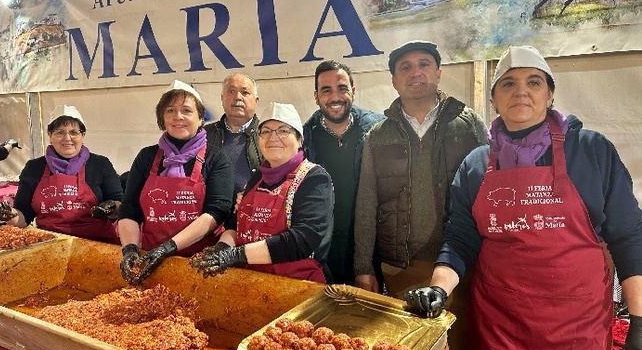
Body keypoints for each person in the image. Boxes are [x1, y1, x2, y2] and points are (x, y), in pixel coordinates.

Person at [406, 45, 642, 350]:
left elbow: (629, 235)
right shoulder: (476, 164)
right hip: (502, 330)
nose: (521, 91)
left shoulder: (591, 150)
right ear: (493, 99)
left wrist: (639, 316)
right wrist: (439, 289)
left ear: (550, 94)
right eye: (508, 84)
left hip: (575, 335)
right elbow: (460, 239)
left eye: (534, 82)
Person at [354, 40, 488, 296]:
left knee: (459, 335)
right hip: (400, 266)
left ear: (438, 73)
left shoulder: (468, 125)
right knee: (405, 336)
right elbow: (366, 204)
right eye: (405, 67)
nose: (416, 72)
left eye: (424, 64)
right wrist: (363, 267)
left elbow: (491, 190)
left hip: (462, 263)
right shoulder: (377, 136)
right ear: (394, 80)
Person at [191, 102, 334, 283]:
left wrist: (236, 255)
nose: (273, 137)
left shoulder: (314, 178)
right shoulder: (257, 177)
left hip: (295, 285)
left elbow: (303, 239)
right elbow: (235, 225)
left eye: (283, 130)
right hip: (250, 281)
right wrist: (221, 248)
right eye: (265, 131)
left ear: (299, 140)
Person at [118, 80, 233, 284]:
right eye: (170, 110)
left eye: (186, 110)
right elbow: (130, 209)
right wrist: (129, 249)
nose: (178, 117)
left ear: (200, 118)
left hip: (199, 264)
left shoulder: (216, 158)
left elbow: (217, 211)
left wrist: (168, 247)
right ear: (162, 118)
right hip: (150, 259)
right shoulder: (147, 157)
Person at [303, 60, 384, 284]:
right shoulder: (304, 138)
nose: (335, 97)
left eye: (342, 88)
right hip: (325, 250)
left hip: (372, 247)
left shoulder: (379, 130)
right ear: (316, 96)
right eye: (326, 90)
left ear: (353, 91)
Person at [0, 105, 122, 243]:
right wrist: (10, 215)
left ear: (83, 135)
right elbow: (23, 217)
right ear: (50, 135)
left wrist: (111, 207)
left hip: (98, 243)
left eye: (74, 132)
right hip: (50, 244)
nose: (67, 138)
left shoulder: (100, 164)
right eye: (59, 132)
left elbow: (120, 205)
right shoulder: (34, 168)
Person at [205, 73, 263, 195]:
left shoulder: (268, 134)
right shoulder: (204, 134)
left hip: (256, 208)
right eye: (231, 91)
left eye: (245, 92)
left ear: (256, 101)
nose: (237, 97)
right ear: (222, 98)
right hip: (213, 210)